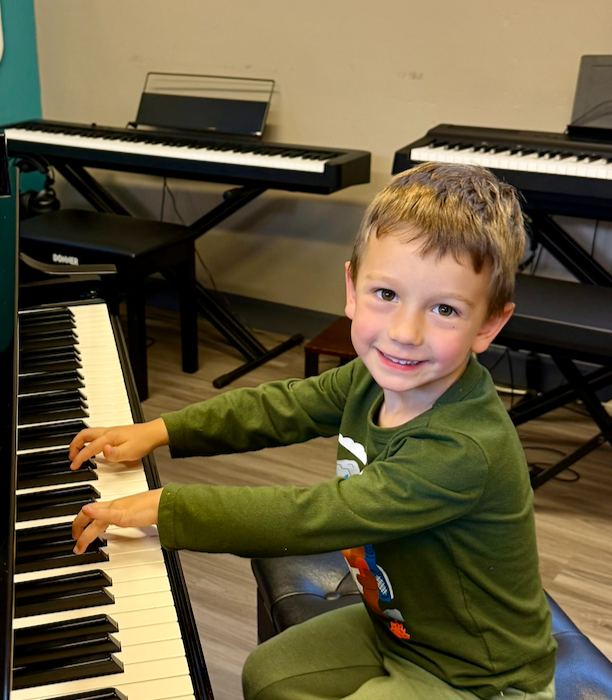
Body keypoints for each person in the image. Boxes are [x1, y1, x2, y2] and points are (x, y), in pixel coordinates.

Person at [68, 162, 556, 700]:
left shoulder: (463, 448)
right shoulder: (371, 378)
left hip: (479, 675)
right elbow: (286, 405)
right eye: (386, 295)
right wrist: (163, 429)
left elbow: (314, 517)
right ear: (352, 288)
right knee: (268, 676)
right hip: (399, 628)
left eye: (444, 309)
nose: (404, 333)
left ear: (487, 324)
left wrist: (171, 509)